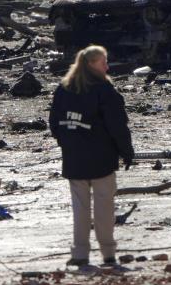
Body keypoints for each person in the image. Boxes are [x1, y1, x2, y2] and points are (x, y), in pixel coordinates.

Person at [49, 45, 134, 267]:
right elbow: (118, 127)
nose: (107, 66)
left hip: (74, 158)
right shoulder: (105, 91)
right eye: (102, 62)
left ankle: (79, 253)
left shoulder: (64, 89)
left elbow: (55, 123)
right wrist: (126, 152)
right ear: (90, 64)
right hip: (101, 159)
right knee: (104, 208)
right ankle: (108, 253)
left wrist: (67, 143)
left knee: (80, 209)